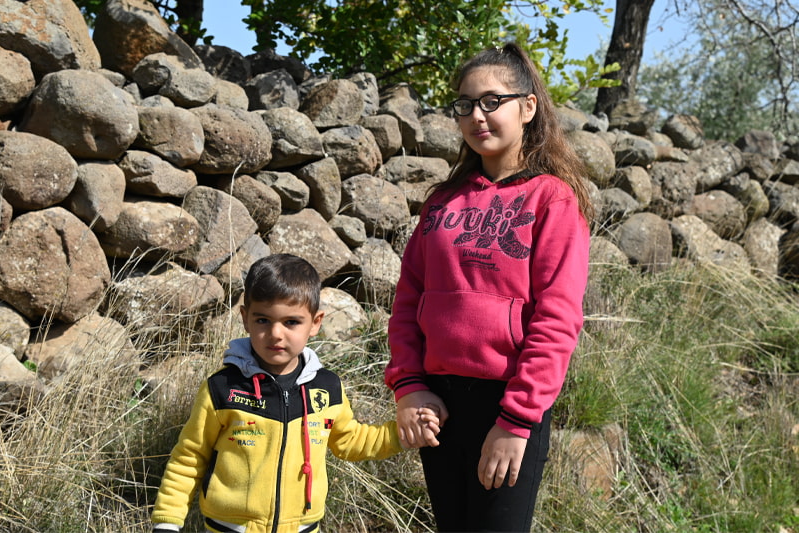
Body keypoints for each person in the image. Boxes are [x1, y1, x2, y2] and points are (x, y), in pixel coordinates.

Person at [385, 42, 593, 532]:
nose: (477, 115)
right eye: (465, 105)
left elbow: (557, 319)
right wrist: (409, 386)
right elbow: (407, 303)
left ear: (528, 107)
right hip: (436, 405)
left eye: (492, 101)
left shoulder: (553, 200)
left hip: (507, 405)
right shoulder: (441, 202)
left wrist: (516, 421)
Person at [152, 253, 440, 533]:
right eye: (263, 320)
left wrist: (404, 433)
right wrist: (167, 522)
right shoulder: (222, 388)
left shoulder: (327, 388)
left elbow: (351, 441)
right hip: (230, 528)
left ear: (315, 323)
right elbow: (189, 458)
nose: (276, 333)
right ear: (245, 318)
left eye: (291, 322)